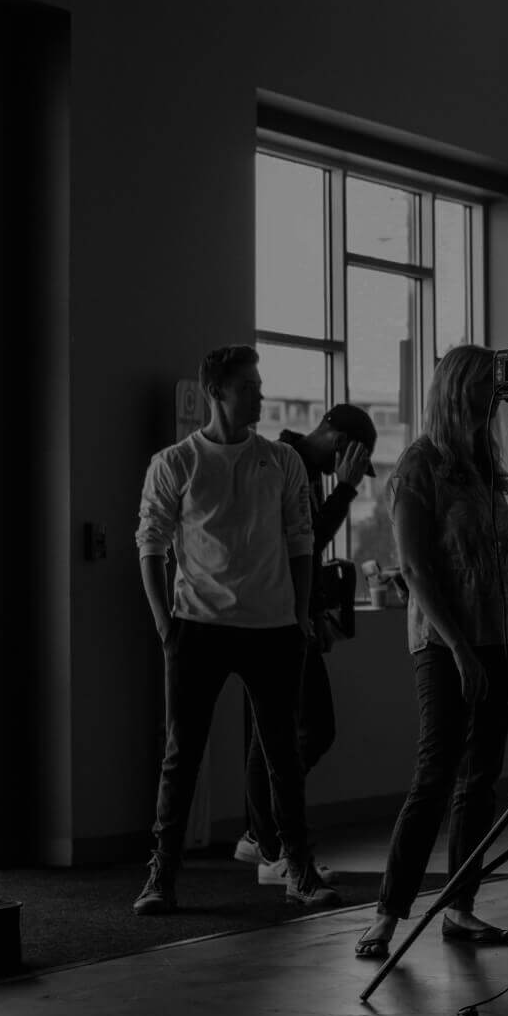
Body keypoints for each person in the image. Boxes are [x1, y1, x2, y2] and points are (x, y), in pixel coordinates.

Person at [134, 344, 341, 914]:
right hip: (196, 627)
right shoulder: (176, 462)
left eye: (259, 384)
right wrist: (164, 624)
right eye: (248, 386)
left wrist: (300, 616)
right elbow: (150, 543)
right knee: (182, 756)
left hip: (272, 629)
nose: (260, 395)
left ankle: (298, 870)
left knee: (284, 756)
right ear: (216, 392)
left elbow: (301, 540)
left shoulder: (281, 460)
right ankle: (161, 876)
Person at [353, 345, 508, 958]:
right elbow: (416, 568)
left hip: (500, 637)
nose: (495, 393)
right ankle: (387, 913)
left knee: (480, 781)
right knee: (435, 775)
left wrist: (505, 643)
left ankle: (460, 907)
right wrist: (460, 649)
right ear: (456, 389)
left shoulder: (484, 465)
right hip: (445, 642)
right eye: (484, 382)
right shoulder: (420, 465)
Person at [233, 402, 376, 886]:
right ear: (342, 444)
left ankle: (263, 835)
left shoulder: (306, 468)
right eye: (351, 462)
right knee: (293, 732)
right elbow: (306, 540)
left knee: (297, 731)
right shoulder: (284, 461)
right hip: (274, 619)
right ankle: (267, 843)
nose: (346, 472)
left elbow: (305, 552)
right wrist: (347, 490)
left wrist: (315, 613)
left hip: (295, 617)